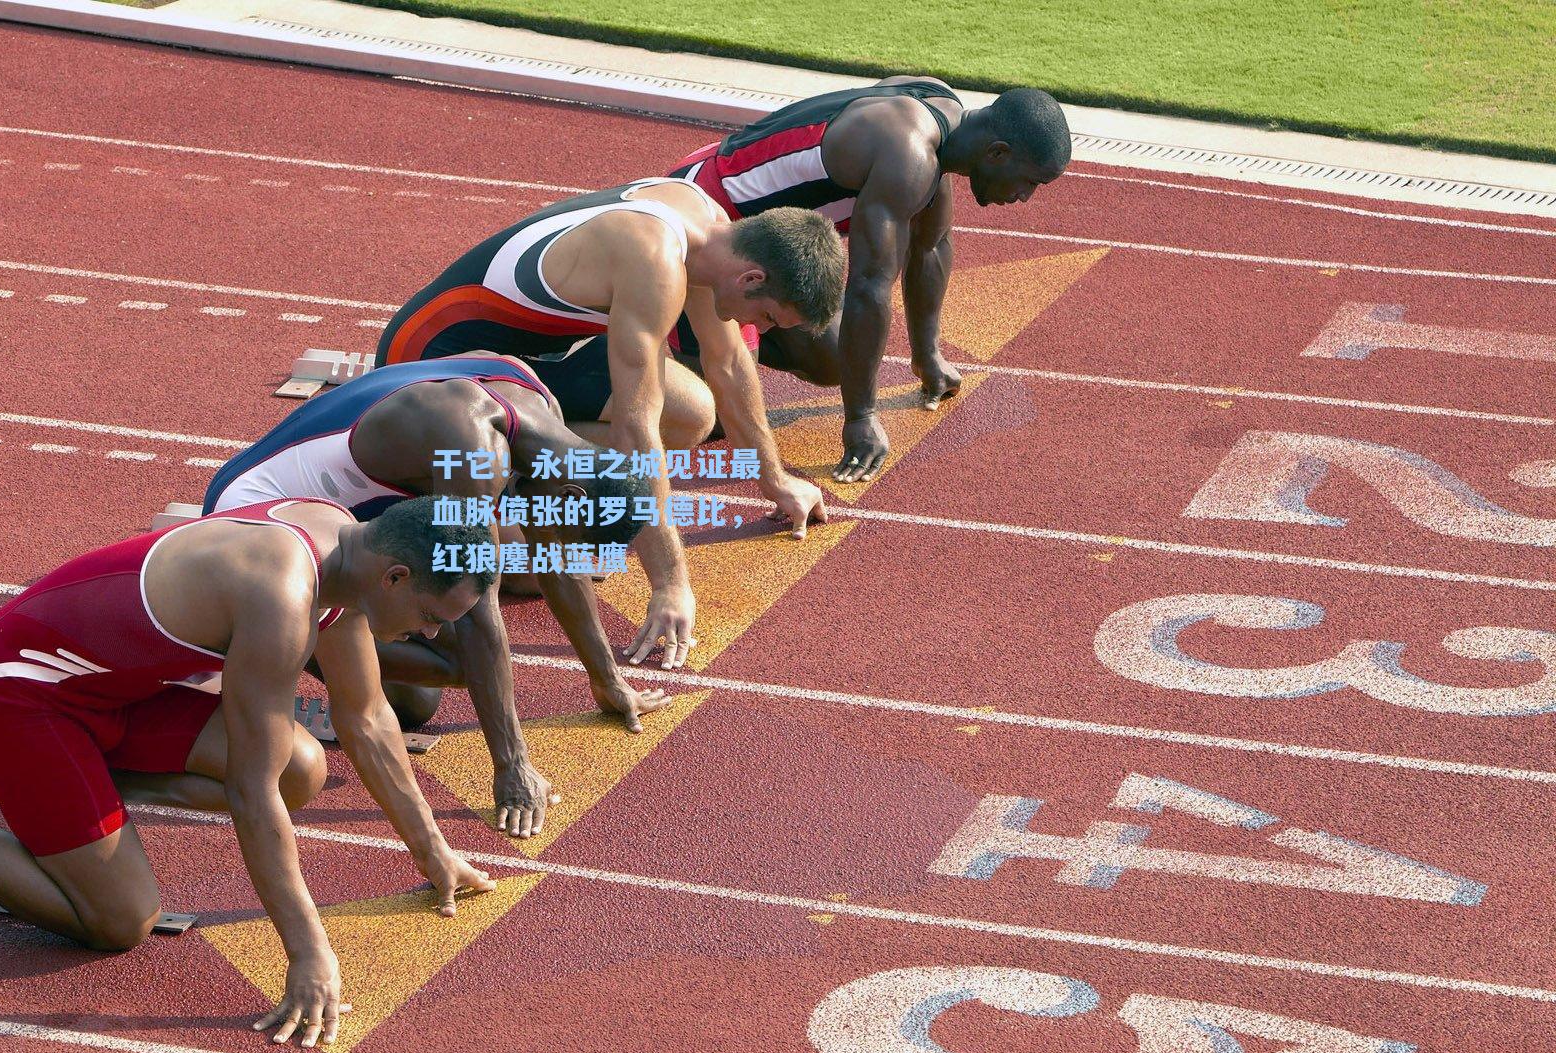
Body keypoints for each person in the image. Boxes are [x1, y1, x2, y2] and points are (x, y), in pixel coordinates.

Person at [0, 496, 496, 1050]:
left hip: (109, 696)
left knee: (303, 767)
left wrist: (433, 853)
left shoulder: (344, 550)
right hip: (18, 692)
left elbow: (369, 717)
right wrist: (309, 952)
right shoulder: (282, 596)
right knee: (121, 920)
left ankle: (73, 807)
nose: (433, 637)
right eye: (434, 619)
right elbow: (249, 794)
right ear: (397, 577)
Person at [203, 352, 676, 839]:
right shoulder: (473, 454)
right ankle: (275, 647)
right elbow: (477, 612)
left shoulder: (540, 414)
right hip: (254, 517)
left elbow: (553, 560)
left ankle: (314, 648)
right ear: (574, 495)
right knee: (446, 672)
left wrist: (607, 680)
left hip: (333, 517)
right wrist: (513, 768)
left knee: (428, 692)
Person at [375, 176, 844, 573]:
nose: (757, 330)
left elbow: (728, 361)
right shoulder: (654, 259)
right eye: (767, 318)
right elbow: (636, 426)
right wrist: (668, 582)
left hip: (517, 356)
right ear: (752, 279)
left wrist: (774, 478)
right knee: (534, 564)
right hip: (426, 363)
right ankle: (489, 477)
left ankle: (517, 470)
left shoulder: (712, 230)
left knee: (692, 412)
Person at [670, 82, 1071, 482]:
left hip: (751, 235)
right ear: (997, 152)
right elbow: (868, 286)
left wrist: (927, 355)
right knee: (713, 416)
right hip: (707, 219)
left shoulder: (941, 115)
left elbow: (930, 245)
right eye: (1029, 182)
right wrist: (861, 417)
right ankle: (651, 336)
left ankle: (720, 337)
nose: (1024, 197)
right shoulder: (908, 155)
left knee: (833, 355)